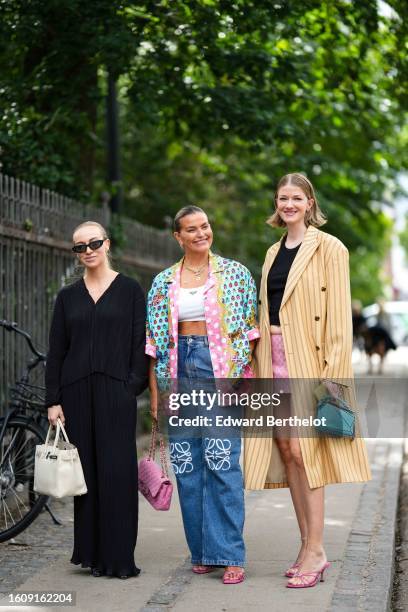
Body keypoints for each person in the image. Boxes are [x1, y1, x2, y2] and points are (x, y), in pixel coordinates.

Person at [245, 173, 371, 588]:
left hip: (310, 361)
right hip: (273, 360)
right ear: (276, 204)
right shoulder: (270, 252)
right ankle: (305, 544)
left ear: (309, 202)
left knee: (306, 451)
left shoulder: (330, 248)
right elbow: (267, 313)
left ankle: (317, 550)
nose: (289, 204)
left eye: (296, 197)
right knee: (287, 451)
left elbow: (338, 319)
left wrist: (331, 381)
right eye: (283, 198)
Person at [146, 206, 260, 585]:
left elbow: (249, 332)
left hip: (219, 369)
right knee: (187, 465)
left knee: (222, 461)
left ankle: (229, 553)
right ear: (177, 237)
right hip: (178, 371)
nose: (200, 234)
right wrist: (158, 395)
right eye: (191, 230)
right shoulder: (163, 282)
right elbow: (154, 345)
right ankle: (202, 551)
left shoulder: (235, 273)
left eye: (205, 226)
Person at [45, 220, 148, 579]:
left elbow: (140, 344)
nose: (87, 250)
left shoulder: (131, 290)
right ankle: (89, 553)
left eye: (93, 243)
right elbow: (56, 351)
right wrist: (53, 400)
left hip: (116, 392)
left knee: (117, 474)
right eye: (80, 246)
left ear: (107, 243)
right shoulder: (67, 297)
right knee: (85, 475)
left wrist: (132, 386)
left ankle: (119, 557)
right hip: (74, 394)